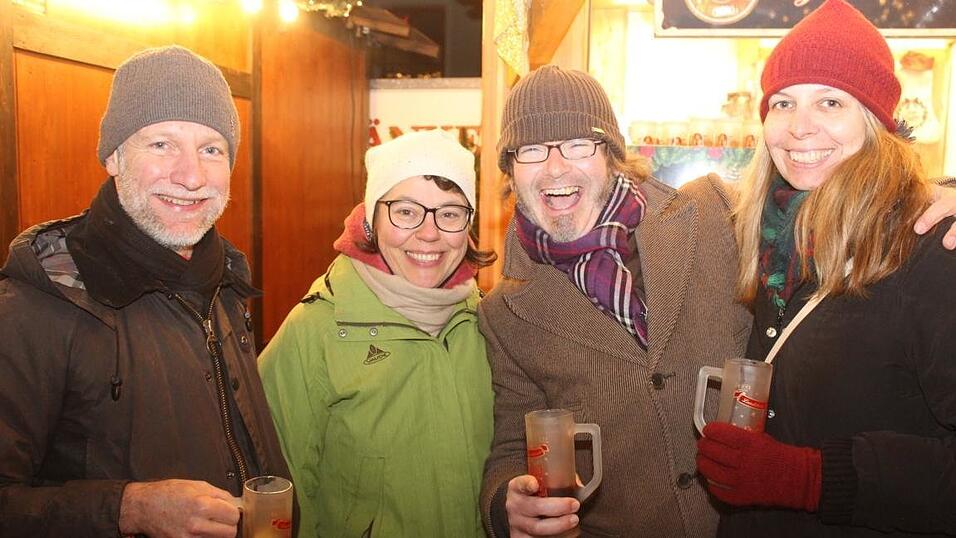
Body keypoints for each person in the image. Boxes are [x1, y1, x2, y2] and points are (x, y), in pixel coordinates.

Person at [0, 46, 290, 537]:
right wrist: (125, 509)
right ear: (113, 156)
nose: (192, 176)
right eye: (161, 144)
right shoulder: (36, 306)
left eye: (211, 149)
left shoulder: (224, 284)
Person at [695, 1, 956, 536]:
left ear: (875, 121)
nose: (799, 127)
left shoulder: (931, 250)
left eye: (831, 102)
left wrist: (810, 478)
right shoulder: (766, 240)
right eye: (784, 103)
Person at [478, 64, 754, 538]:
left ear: (612, 156)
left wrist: (924, 209)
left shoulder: (713, 213)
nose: (555, 167)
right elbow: (511, 448)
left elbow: (824, 217)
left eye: (578, 144)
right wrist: (507, 503)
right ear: (510, 171)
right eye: (531, 150)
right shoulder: (506, 313)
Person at [258, 129, 497, 537]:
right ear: (371, 219)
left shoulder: (488, 324)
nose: (429, 233)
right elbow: (275, 492)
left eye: (450, 213)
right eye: (405, 211)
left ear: (468, 225)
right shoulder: (314, 331)